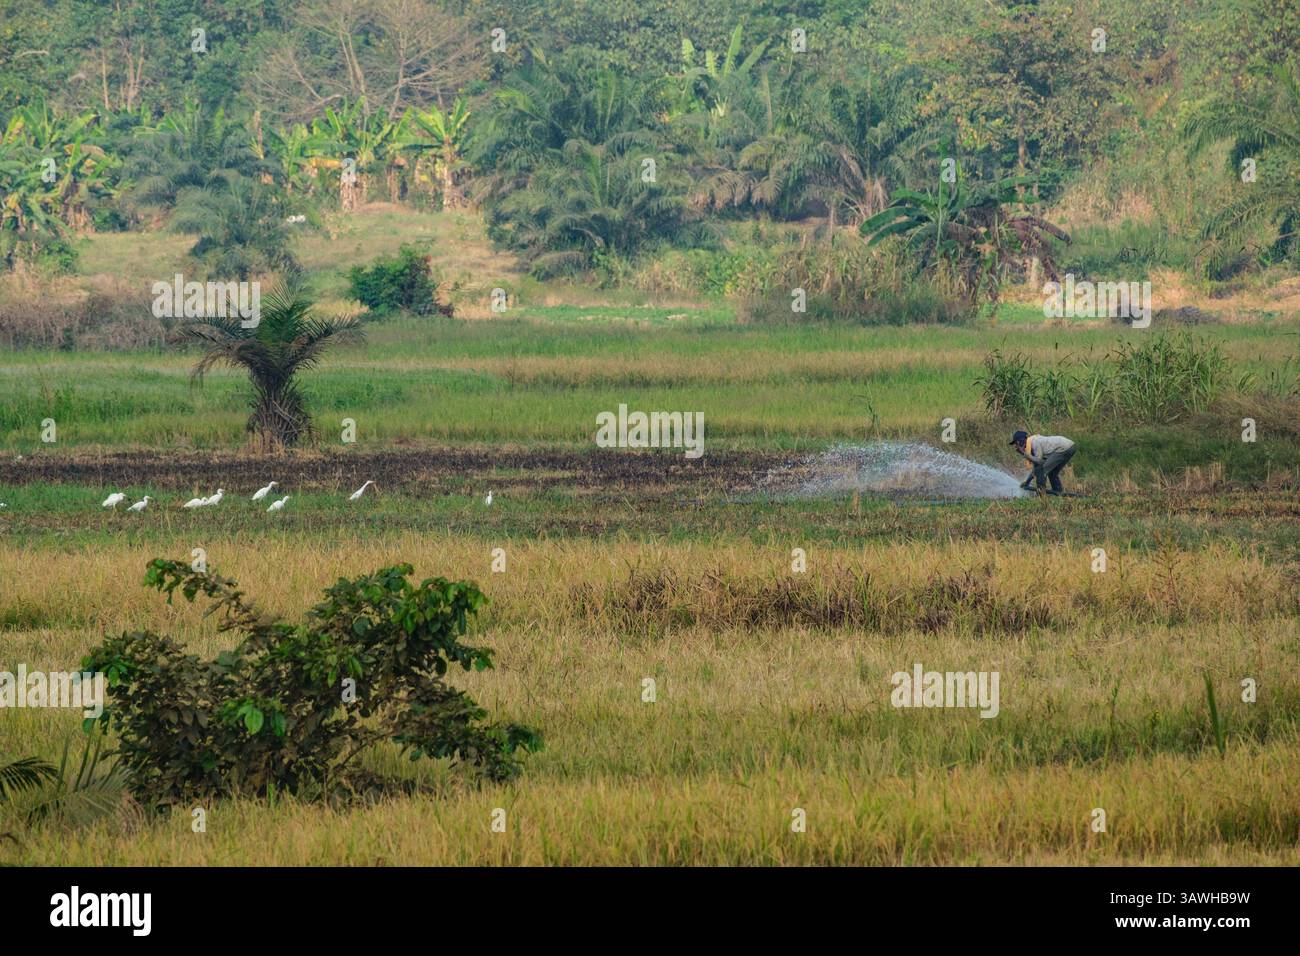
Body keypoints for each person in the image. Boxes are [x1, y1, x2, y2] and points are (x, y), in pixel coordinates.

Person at [1011, 430, 1076, 495]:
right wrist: (1027, 482)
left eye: (1016, 444)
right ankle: (1058, 493)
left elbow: (1040, 464)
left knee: (1042, 471)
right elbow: (1036, 468)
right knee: (1052, 472)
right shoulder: (1032, 444)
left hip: (1064, 448)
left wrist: (1025, 454)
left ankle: (1041, 495)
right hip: (1070, 446)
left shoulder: (1035, 443)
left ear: (1021, 442)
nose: (1016, 447)